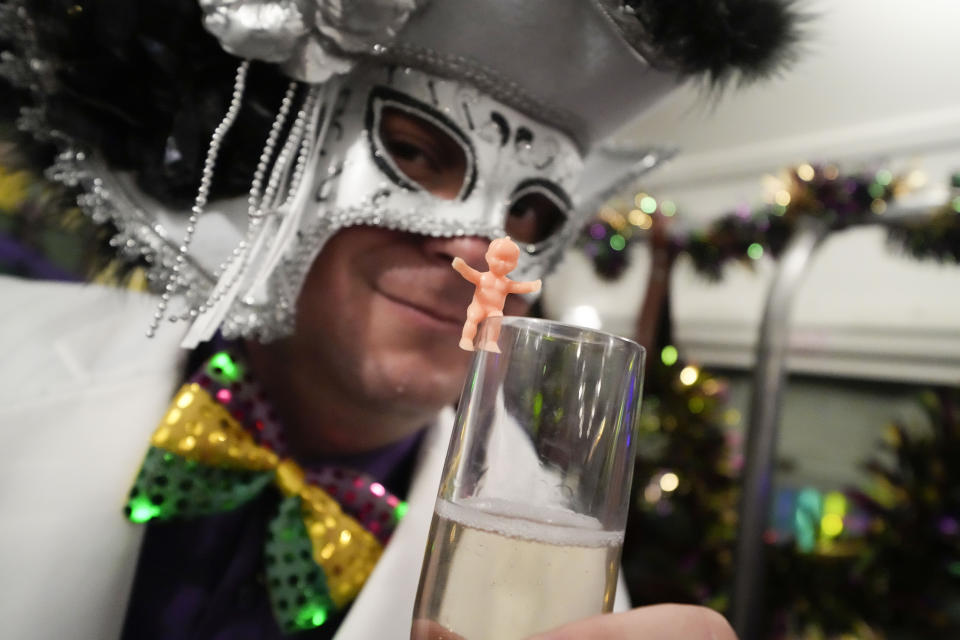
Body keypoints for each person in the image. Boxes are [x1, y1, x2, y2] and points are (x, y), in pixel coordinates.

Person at [0, 0, 799, 638]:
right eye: (416, 153)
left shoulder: (557, 568)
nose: (483, 245)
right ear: (289, 159)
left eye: (530, 211)